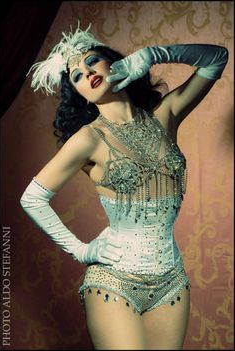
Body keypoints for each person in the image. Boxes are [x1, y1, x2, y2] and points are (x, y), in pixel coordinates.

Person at [20, 21, 228, 350]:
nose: (87, 73)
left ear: (114, 62)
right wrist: (81, 250)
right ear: (80, 95)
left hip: (171, 281)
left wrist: (155, 54)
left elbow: (217, 57)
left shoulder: (165, 114)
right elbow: (32, 198)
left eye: (92, 61)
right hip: (113, 282)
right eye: (76, 76)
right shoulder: (88, 138)